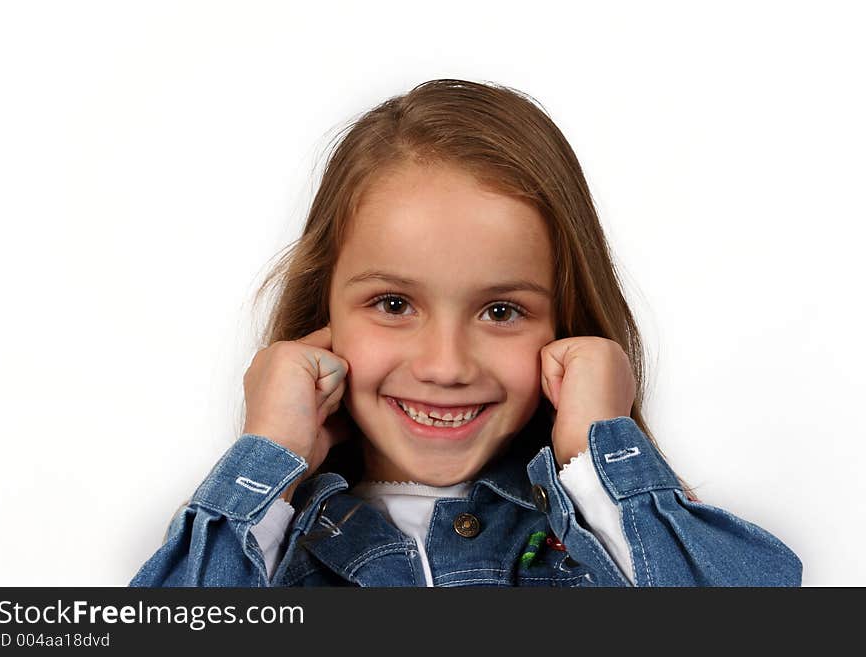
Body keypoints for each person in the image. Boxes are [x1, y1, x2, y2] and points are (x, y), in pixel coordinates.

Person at [130, 79, 802, 587]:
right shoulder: (266, 548)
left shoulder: (616, 537)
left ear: (567, 327)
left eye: (501, 312)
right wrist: (269, 458)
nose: (445, 365)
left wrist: (600, 454)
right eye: (393, 303)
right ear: (322, 315)